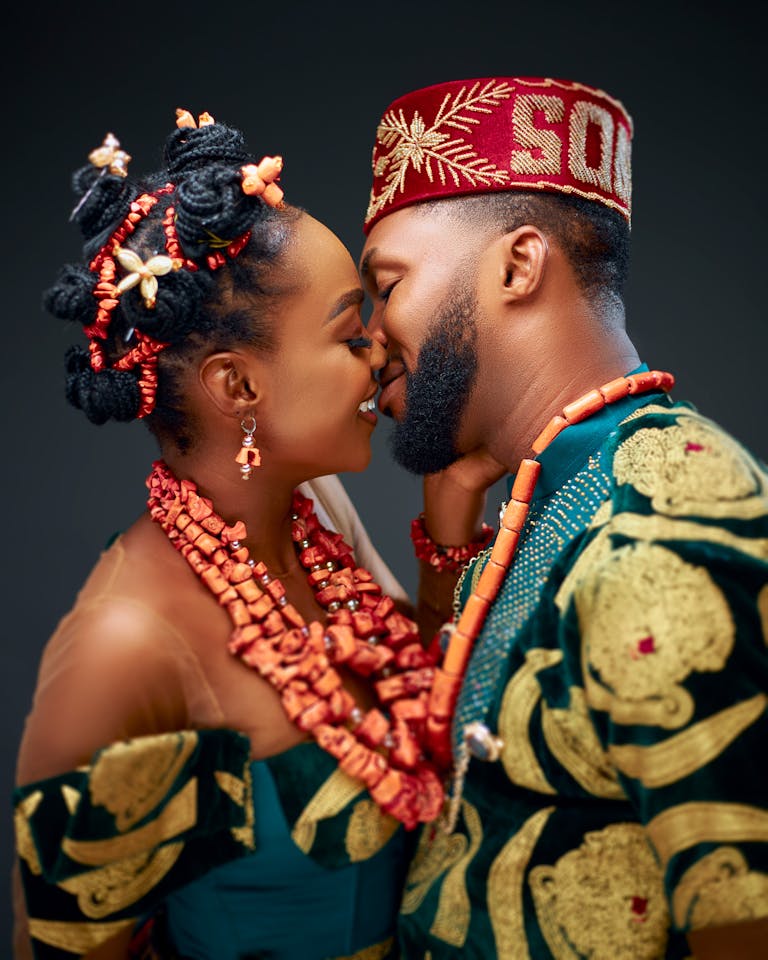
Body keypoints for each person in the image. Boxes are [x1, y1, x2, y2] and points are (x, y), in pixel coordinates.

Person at [13, 109, 456, 960]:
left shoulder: (313, 518)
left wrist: (447, 522)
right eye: (347, 329)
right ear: (237, 385)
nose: (380, 354)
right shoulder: (128, 645)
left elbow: (422, 718)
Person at [359, 77, 768, 959]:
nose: (367, 337)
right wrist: (447, 556)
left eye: (385, 286)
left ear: (517, 266)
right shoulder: (552, 487)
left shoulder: (665, 520)